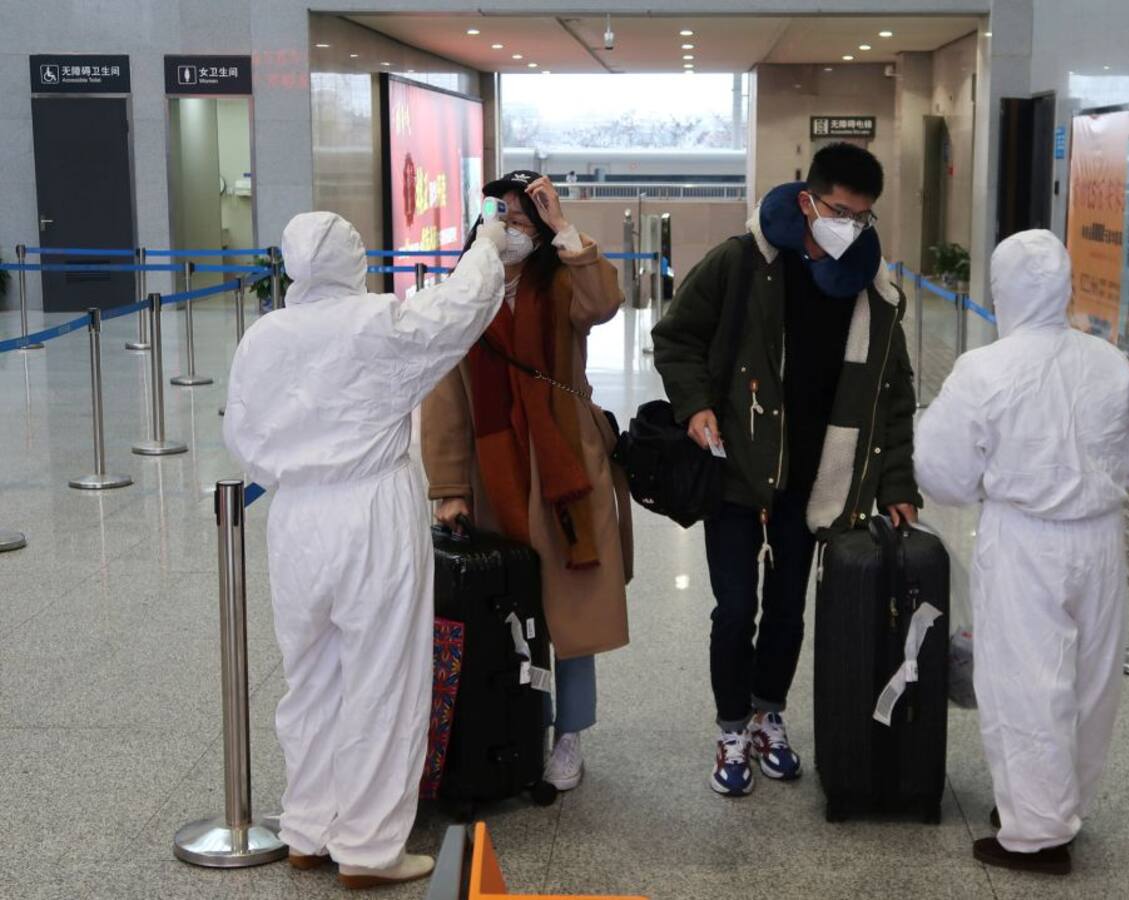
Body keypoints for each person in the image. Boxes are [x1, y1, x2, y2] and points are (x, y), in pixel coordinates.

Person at [223, 211, 507, 888]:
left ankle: (307, 828)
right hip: (372, 508)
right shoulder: (376, 322)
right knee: (383, 677)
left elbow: (242, 437)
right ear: (354, 260)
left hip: (296, 519)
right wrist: (490, 245)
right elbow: (460, 309)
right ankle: (369, 847)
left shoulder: (263, 338)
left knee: (310, 677)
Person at [653, 143, 920, 797]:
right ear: (807, 201)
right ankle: (730, 729)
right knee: (734, 608)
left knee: (787, 611)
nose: (849, 226)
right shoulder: (744, 261)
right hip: (738, 468)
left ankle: (768, 715)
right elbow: (677, 337)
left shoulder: (872, 287)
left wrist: (896, 484)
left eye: (862, 217)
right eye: (838, 211)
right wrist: (695, 405)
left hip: (816, 479)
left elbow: (892, 395)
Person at [914, 229, 1129, 876]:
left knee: (1025, 684)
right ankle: (1062, 806)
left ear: (1005, 292)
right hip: (1101, 539)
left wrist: (986, 488)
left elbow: (941, 470)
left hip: (1025, 540)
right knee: (1091, 683)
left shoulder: (985, 369)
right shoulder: (1108, 362)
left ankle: (1037, 834)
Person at [422, 172, 632, 792]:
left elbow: (605, 302)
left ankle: (570, 733)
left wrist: (565, 228)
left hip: (566, 465)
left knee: (571, 611)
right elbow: (444, 400)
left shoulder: (562, 281)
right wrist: (450, 488)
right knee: (509, 608)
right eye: (501, 216)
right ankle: (518, 725)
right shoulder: (464, 293)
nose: (511, 228)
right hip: (495, 472)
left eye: (523, 219)